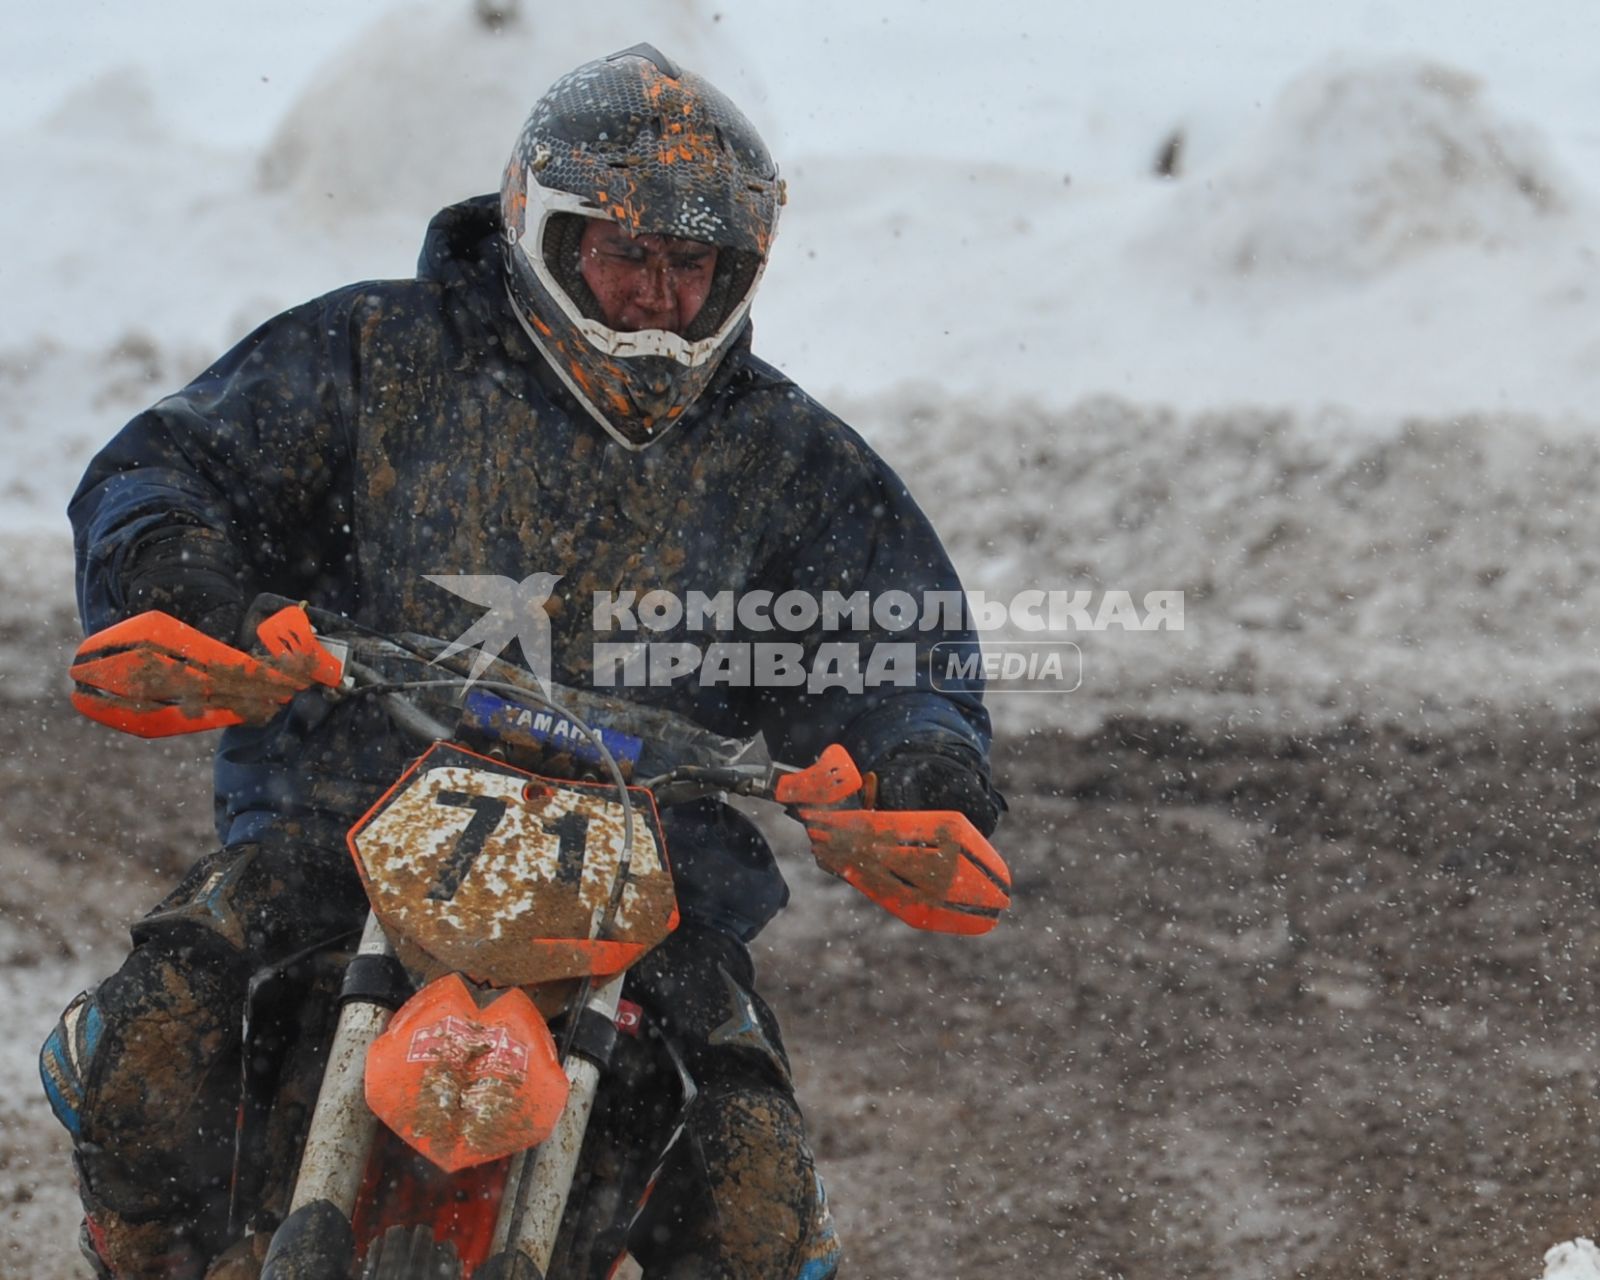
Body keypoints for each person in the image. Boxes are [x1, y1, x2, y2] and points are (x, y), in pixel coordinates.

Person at [42, 44, 1002, 1280]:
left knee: (757, 1192)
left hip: (653, 888)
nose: (656, 295)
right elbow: (165, 469)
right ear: (543, 236)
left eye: (688, 264)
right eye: (624, 253)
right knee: (157, 1034)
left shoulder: (791, 462)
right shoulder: (370, 352)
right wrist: (181, 581)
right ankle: (139, 1248)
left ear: (736, 274)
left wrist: (919, 755)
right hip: (340, 826)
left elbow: (892, 635)